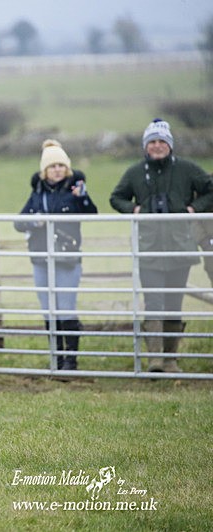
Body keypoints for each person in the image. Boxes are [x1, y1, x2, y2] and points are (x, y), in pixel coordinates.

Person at [110, 119, 213, 372]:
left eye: (161, 142)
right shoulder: (135, 172)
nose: (157, 146)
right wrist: (133, 209)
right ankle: (154, 358)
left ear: (169, 145)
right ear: (146, 146)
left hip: (180, 246)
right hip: (149, 247)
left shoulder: (187, 170)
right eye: (152, 142)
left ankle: (170, 359)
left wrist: (193, 209)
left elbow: (210, 190)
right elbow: (116, 197)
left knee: (173, 303)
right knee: (153, 302)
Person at [14, 140, 98, 371]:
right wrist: (34, 220)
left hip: (67, 259)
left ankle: (70, 359)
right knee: (49, 309)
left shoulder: (76, 190)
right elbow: (18, 223)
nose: (58, 169)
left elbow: (92, 214)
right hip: (41, 259)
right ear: (45, 170)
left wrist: (83, 197)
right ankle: (56, 357)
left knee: (66, 308)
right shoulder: (37, 193)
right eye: (53, 166)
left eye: (61, 165)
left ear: (67, 168)